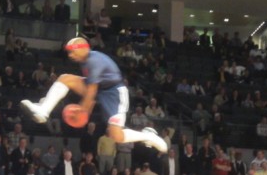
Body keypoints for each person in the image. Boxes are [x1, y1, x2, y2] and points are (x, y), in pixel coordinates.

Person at [21, 37, 167, 153]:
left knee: (116, 135)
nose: (70, 55)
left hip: (114, 94)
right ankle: (43, 110)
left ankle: (148, 136)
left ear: (83, 48)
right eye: (69, 52)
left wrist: (82, 112)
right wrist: (84, 112)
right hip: (101, 89)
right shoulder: (84, 60)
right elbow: (91, 93)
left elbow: (90, 94)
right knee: (65, 78)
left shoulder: (94, 61)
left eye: (72, 51)